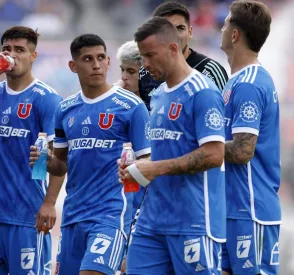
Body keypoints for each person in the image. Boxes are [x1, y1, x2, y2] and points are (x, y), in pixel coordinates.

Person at [30, 33, 151, 275]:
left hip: (111, 215)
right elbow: (61, 165)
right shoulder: (65, 109)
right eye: (87, 59)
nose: (96, 65)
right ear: (73, 66)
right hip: (74, 216)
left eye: (100, 58)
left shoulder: (131, 107)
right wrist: (43, 161)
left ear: (108, 62)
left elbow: (148, 164)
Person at [120, 17, 226, 274]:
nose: (145, 65)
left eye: (150, 56)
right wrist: (138, 167)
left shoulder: (203, 92)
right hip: (151, 223)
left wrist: (155, 168)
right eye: (142, 57)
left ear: (173, 49)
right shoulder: (157, 95)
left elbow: (214, 155)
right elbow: (162, 154)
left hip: (193, 223)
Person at [0, 26, 63, 275]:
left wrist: (49, 203)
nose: (12, 55)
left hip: (26, 219)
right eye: (7, 49)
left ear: (34, 56)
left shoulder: (46, 99)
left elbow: (59, 159)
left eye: (20, 50)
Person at [219, 1, 280, 274]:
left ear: (234, 35)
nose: (221, 28)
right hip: (233, 207)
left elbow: (244, 150)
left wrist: (199, 147)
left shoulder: (249, 83)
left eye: (225, 23)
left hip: (250, 208)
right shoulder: (236, 81)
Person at [138, 1, 229, 110]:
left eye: (180, 28)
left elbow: (226, 118)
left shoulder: (210, 72)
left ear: (190, 32)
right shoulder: (145, 73)